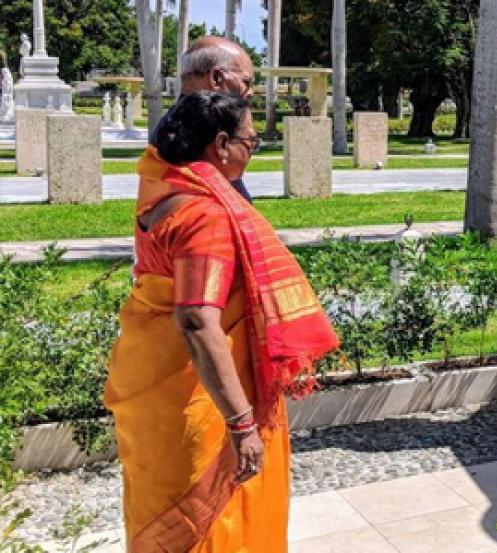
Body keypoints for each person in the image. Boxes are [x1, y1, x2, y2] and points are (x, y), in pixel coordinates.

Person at [105, 92, 339, 551]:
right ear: (221, 144)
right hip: (201, 401)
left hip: (155, 388)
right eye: (251, 141)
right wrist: (241, 425)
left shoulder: (164, 192)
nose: (253, 150)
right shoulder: (205, 216)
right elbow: (196, 321)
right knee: (214, 523)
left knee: (161, 511)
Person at [155, 36, 258, 202]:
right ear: (216, 78)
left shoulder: (182, 122)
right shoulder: (189, 130)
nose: (251, 91)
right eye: (246, 82)